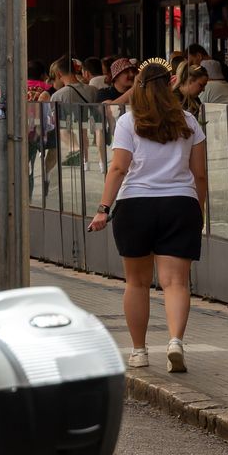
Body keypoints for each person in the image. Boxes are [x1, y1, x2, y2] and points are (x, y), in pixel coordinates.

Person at [87, 60, 208, 373]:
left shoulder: (129, 121)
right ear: (170, 84)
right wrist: (199, 209)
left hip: (135, 205)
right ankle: (175, 342)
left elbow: (118, 168)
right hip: (180, 204)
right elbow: (200, 175)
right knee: (176, 282)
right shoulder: (189, 121)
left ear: (139, 87)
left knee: (137, 283)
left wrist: (103, 208)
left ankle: (139, 351)